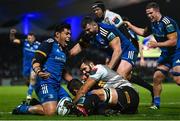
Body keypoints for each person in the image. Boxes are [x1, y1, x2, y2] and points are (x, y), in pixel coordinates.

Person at [91, 0, 153, 103]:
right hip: (118, 48)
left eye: (97, 9)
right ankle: (150, 88)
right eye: (94, 10)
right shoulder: (98, 21)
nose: (95, 12)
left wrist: (124, 51)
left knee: (120, 75)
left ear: (103, 9)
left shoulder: (112, 17)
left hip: (128, 46)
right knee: (126, 76)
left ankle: (128, 98)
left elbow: (124, 34)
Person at [124, 2, 180, 109]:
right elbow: (143, 33)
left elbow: (173, 41)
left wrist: (156, 44)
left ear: (157, 11)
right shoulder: (152, 23)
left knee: (178, 80)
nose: (149, 16)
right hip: (166, 54)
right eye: (147, 14)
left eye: (151, 13)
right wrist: (130, 26)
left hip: (177, 53)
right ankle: (156, 104)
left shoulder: (167, 23)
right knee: (157, 77)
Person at [12, 22, 71, 115]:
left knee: (68, 106)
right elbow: (35, 60)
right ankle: (22, 108)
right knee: (51, 112)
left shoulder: (64, 50)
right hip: (45, 83)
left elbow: (63, 70)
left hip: (57, 86)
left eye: (70, 34)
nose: (69, 36)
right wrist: (38, 71)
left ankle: (36, 103)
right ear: (57, 34)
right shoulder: (48, 43)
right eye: (67, 33)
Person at [72, 55, 139, 115]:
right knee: (95, 100)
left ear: (91, 65)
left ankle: (82, 108)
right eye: (82, 71)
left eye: (84, 69)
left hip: (129, 94)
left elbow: (83, 90)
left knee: (94, 93)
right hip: (128, 104)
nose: (84, 72)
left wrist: (73, 103)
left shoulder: (97, 69)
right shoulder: (96, 75)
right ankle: (107, 111)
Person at [9, 29, 40, 101]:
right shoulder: (24, 42)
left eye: (30, 38)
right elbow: (13, 40)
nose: (28, 39)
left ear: (34, 38)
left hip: (34, 64)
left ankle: (29, 94)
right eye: (28, 38)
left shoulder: (38, 45)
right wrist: (12, 34)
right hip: (25, 65)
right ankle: (32, 86)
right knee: (27, 80)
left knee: (33, 78)